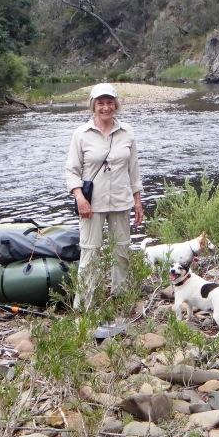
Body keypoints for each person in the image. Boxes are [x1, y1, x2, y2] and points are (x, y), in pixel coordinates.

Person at [64, 83, 144, 308]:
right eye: (101, 103)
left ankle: (121, 298)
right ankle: (85, 305)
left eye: (110, 102)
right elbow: (72, 170)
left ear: (116, 105)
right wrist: (80, 198)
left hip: (120, 200)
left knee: (122, 250)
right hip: (91, 204)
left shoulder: (127, 131)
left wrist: (138, 201)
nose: (106, 107)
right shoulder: (81, 134)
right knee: (90, 253)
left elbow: (134, 169)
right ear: (93, 105)